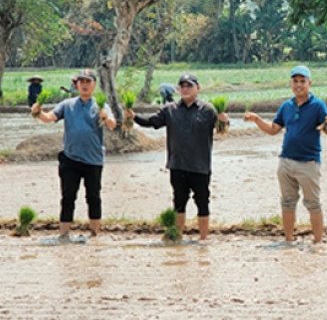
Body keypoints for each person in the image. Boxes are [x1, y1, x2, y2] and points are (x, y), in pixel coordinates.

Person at [127, 73, 228, 240]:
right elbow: (152, 122)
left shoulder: (208, 110)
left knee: (202, 202)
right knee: (178, 203)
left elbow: (222, 130)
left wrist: (224, 120)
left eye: (189, 85)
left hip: (200, 166)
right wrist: (134, 117)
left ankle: (203, 238)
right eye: (183, 86)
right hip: (178, 165)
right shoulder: (170, 110)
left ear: (198, 88)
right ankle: (177, 237)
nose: (186, 89)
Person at [244, 66, 327, 243]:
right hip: (285, 161)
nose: (299, 85)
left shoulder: (318, 105)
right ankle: (288, 240)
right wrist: (256, 119)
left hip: (308, 163)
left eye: (303, 81)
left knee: (313, 204)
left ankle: (317, 242)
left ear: (310, 83)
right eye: (295, 81)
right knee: (287, 203)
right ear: (291, 83)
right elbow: (273, 129)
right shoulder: (286, 106)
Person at [31, 69, 116, 240]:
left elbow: (112, 125)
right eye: (81, 82)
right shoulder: (67, 104)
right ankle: (63, 235)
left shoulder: (101, 105)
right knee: (68, 197)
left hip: (93, 160)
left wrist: (105, 117)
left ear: (94, 84)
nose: (84, 85)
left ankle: (95, 234)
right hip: (70, 158)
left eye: (88, 82)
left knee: (93, 196)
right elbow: (49, 118)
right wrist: (37, 112)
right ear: (77, 84)